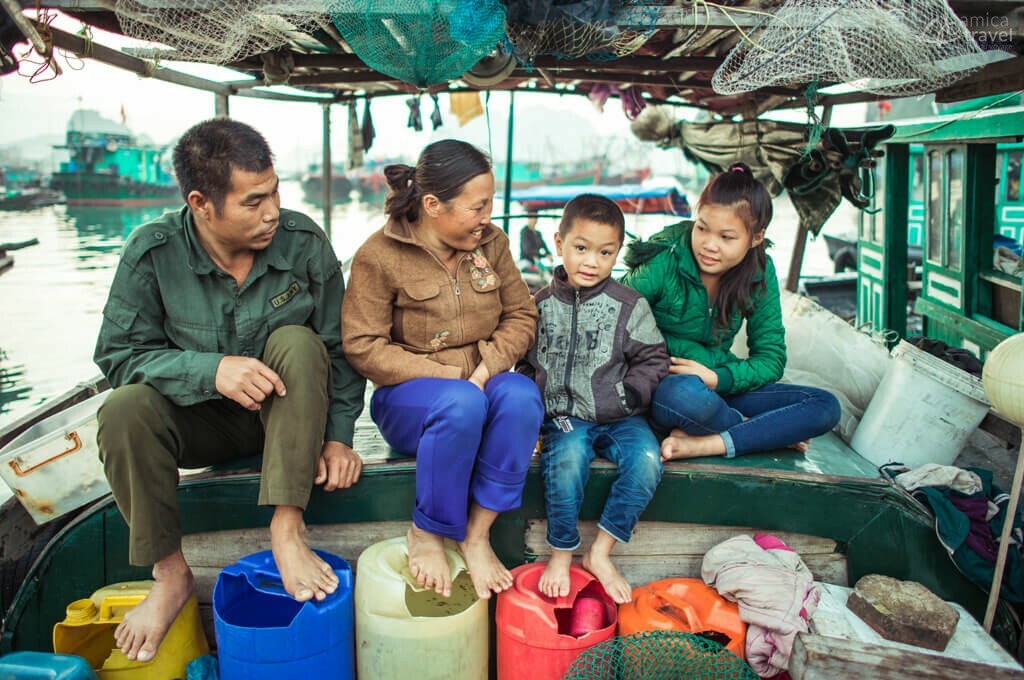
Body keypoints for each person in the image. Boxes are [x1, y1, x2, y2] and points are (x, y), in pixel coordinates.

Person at [94, 119, 365, 663]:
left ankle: (287, 527)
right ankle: (169, 573)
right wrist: (210, 370)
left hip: (291, 424)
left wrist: (337, 438)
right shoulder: (152, 253)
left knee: (299, 340)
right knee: (122, 409)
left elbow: (338, 350)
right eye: (253, 201)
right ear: (201, 203)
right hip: (199, 427)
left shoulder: (303, 241)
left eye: (275, 193)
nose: (272, 212)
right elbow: (119, 356)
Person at [341, 139, 543, 600]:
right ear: (433, 205)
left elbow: (521, 315)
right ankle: (427, 531)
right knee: (461, 403)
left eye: (489, 204)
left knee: (520, 396)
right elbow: (362, 345)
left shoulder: (492, 244)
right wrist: (450, 377)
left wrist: (488, 366)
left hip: (481, 386)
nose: (487, 217)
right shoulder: (379, 255)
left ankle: (476, 534)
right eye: (477, 207)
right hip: (410, 401)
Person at [621, 163, 841, 460]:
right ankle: (756, 433)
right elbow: (615, 320)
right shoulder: (664, 260)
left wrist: (717, 378)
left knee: (825, 406)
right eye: (702, 228)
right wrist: (690, 360)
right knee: (685, 395)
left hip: (720, 384)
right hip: (665, 383)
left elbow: (771, 358)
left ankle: (706, 442)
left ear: (756, 237)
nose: (709, 245)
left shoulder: (761, 272)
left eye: (726, 237)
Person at [519, 194, 669, 604]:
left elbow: (654, 358)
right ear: (559, 243)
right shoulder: (539, 306)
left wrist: (625, 395)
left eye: (605, 253)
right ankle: (562, 552)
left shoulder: (628, 305)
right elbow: (524, 365)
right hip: (567, 416)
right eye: (581, 248)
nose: (591, 261)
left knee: (646, 460)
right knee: (566, 458)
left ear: (617, 253)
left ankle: (601, 551)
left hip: (621, 416)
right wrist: (535, 415)